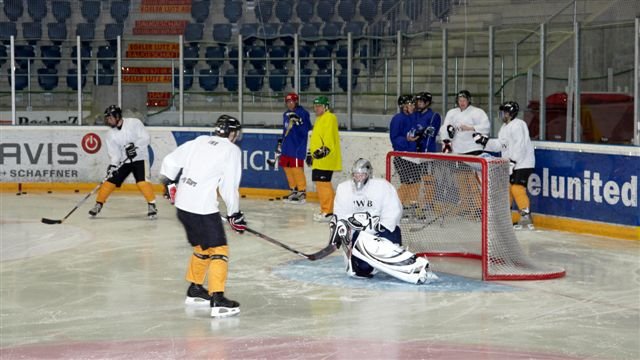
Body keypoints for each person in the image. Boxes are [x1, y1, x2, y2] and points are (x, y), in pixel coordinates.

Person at [160, 114, 247, 318]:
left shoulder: (199, 140)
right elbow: (229, 187)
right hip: (202, 208)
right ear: (232, 133)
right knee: (219, 250)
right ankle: (218, 299)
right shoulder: (231, 150)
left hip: (183, 204)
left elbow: (170, 161)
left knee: (202, 247)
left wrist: (169, 184)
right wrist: (234, 214)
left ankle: (196, 289)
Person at [330, 158, 436, 284]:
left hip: (383, 231)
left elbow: (393, 212)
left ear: (369, 174)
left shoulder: (383, 186)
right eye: (356, 175)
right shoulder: (344, 188)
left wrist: (376, 231)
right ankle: (371, 262)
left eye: (362, 174)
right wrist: (344, 237)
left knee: (385, 257)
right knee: (360, 271)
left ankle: (413, 266)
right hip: (358, 235)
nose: (359, 178)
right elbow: (340, 215)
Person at [473, 101, 536, 230]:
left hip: (523, 162)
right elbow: (501, 145)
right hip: (511, 163)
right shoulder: (504, 127)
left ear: (511, 113)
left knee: (517, 188)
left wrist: (514, 159)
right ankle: (506, 218)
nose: (502, 115)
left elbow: (520, 144)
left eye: (504, 112)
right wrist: (485, 141)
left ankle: (525, 217)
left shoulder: (518, 125)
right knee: (507, 189)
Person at [88, 105, 157, 219]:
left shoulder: (134, 123)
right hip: (124, 161)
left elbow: (145, 138)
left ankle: (152, 205)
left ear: (117, 116)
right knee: (109, 181)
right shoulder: (110, 134)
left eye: (110, 118)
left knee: (142, 182)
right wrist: (113, 165)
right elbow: (115, 153)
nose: (108, 121)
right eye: (107, 118)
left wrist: (135, 147)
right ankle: (98, 205)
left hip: (140, 158)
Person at [307, 96, 342, 223]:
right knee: (321, 184)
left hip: (325, 158)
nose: (316, 108)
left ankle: (329, 212)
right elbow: (316, 139)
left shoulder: (329, 118)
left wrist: (320, 153)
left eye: (319, 106)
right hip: (319, 158)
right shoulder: (319, 119)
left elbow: (328, 140)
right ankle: (326, 210)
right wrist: (310, 153)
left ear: (326, 107)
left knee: (324, 184)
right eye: (315, 106)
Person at [274, 92, 312, 204]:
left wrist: (299, 122)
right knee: (286, 167)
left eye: (291, 101)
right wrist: (281, 142)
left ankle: (302, 191)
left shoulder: (303, 113)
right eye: (287, 102)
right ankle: (293, 189)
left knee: (296, 169)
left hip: (297, 146)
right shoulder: (285, 114)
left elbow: (307, 129)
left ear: (296, 101)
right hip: (287, 145)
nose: (289, 104)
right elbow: (285, 130)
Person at [389, 95, 421, 209]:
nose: (413, 106)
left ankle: (411, 206)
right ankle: (396, 206)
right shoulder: (397, 118)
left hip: (413, 155)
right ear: (404, 106)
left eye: (413, 104)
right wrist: (406, 140)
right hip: (402, 156)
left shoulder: (413, 117)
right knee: (407, 182)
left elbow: (415, 131)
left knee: (416, 181)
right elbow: (394, 138)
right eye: (411, 104)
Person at [439, 90, 490, 155]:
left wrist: (471, 128)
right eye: (460, 100)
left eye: (464, 100)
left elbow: (486, 127)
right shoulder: (451, 113)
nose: (462, 103)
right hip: (457, 149)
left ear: (468, 101)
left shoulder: (477, 112)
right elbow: (444, 128)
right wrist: (446, 141)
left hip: (473, 148)